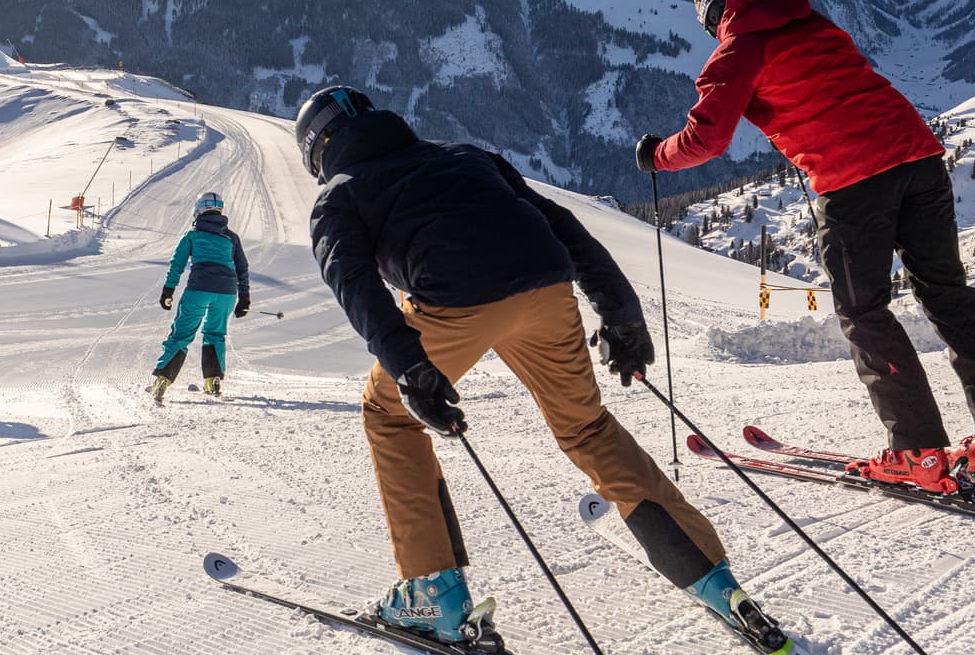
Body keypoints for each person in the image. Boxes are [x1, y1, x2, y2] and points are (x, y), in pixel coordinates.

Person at [296, 85, 791, 655]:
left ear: (318, 150)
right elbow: (563, 226)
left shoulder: (339, 196)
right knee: (587, 427)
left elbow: (354, 283)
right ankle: (711, 578)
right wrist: (622, 316)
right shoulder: (466, 156)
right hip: (546, 290)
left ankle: (434, 595)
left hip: (453, 301)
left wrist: (409, 370)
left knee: (389, 416)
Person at [639, 0, 975, 498]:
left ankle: (917, 453)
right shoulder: (814, 22)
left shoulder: (738, 51)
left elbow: (707, 139)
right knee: (949, 296)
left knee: (865, 312)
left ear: (714, 15)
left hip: (853, 183)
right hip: (919, 160)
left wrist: (656, 155)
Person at [149, 192, 251, 403]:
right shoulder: (231, 237)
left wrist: (168, 291)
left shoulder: (192, 235)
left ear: (199, 210)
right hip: (226, 293)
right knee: (215, 333)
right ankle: (213, 381)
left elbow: (177, 264)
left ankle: (163, 380)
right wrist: (244, 298)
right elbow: (242, 268)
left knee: (181, 334)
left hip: (199, 289)